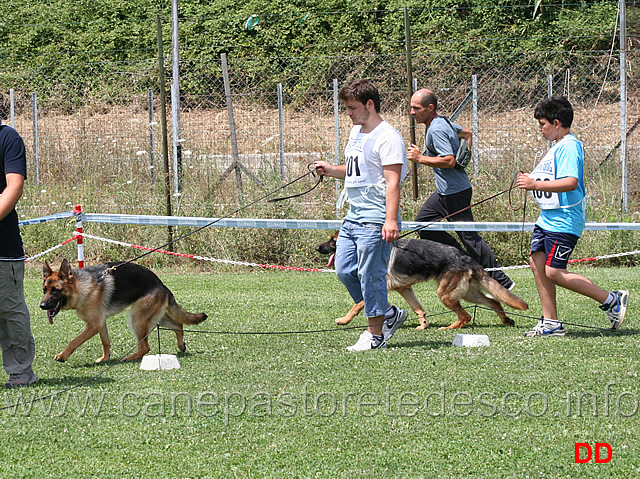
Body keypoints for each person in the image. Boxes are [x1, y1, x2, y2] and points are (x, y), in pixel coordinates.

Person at [516, 95, 628, 337]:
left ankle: (611, 300)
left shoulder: (569, 146)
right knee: (537, 264)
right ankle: (551, 323)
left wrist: (534, 183)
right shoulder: (558, 146)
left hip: (565, 221)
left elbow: (570, 182)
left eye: (542, 125)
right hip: (547, 219)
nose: (541, 130)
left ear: (556, 123)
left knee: (555, 271)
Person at [315, 79, 408, 351]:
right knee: (345, 270)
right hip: (353, 217)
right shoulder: (357, 132)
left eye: (352, 108)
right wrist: (332, 170)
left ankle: (375, 335)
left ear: (370, 105)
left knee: (371, 275)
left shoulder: (388, 137)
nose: (348, 113)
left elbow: (392, 182)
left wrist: (390, 220)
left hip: (376, 218)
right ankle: (388, 313)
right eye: (346, 108)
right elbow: (357, 170)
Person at [407, 88, 514, 290]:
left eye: (416, 108)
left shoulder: (437, 129)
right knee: (423, 223)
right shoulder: (442, 122)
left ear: (430, 108)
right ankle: (461, 260)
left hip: (454, 192)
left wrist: (420, 158)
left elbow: (448, 160)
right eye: (411, 108)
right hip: (444, 192)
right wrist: (466, 154)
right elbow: (467, 134)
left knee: (470, 237)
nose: (412, 112)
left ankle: (501, 281)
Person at [0, 100, 37, 387]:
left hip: (4, 250)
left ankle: (21, 370)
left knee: (10, 311)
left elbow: (14, 187)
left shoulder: (7, 137)